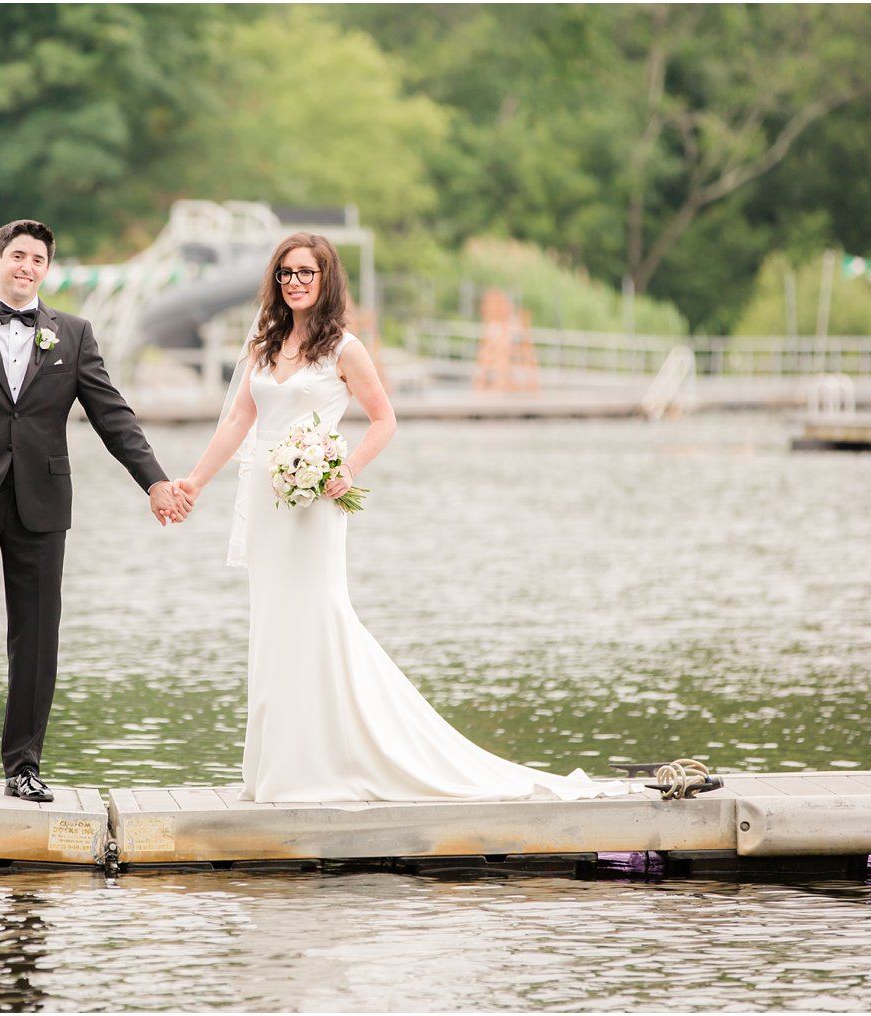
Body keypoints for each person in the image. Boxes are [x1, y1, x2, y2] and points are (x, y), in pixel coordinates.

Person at [174, 232, 627, 802]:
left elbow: (384, 418)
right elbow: (237, 423)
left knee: (319, 618)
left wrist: (346, 468)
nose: (294, 282)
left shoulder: (344, 348)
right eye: (286, 273)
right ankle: (276, 769)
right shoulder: (262, 346)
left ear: (326, 278)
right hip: (268, 506)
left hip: (315, 504)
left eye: (305, 273)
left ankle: (327, 764)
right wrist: (193, 481)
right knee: (272, 628)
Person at [0, 219, 192, 802]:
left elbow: (111, 415)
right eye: (17, 256)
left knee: (36, 639)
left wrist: (154, 481)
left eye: (37, 260)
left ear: (47, 269)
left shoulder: (72, 334)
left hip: (41, 509)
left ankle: (23, 767)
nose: (26, 267)